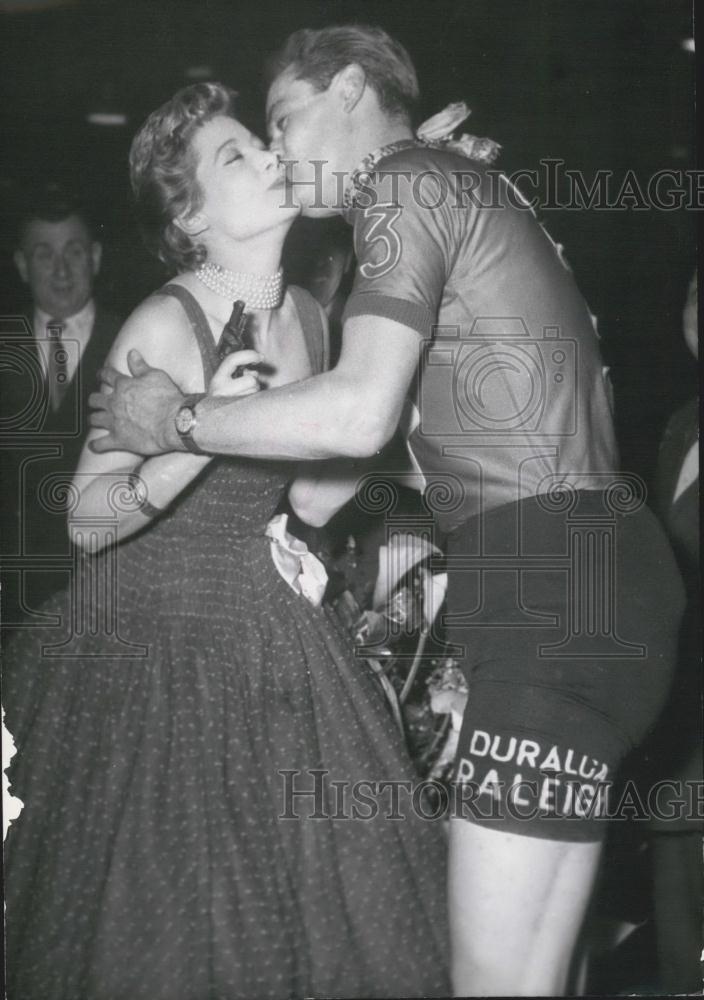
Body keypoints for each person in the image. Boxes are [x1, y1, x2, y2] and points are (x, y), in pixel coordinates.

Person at [88, 26, 685, 996]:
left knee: (486, 984)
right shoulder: (450, 181)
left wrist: (180, 418)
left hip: (544, 590)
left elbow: (359, 407)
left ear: (351, 89)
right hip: (598, 585)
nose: (278, 149)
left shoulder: (403, 180)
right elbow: (378, 459)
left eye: (282, 118)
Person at [2, 82, 450, 1000]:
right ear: (192, 216)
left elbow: (313, 500)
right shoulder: (168, 322)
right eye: (235, 155)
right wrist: (190, 441)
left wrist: (407, 428)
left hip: (263, 625)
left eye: (259, 139)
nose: (267, 154)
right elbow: (87, 522)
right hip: (148, 640)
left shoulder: (317, 320)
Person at [0, 187, 122, 618]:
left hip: (104, 584)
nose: (61, 270)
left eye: (73, 252)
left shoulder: (135, 341)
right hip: (12, 591)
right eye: (43, 254)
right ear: (21, 265)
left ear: (96, 256)